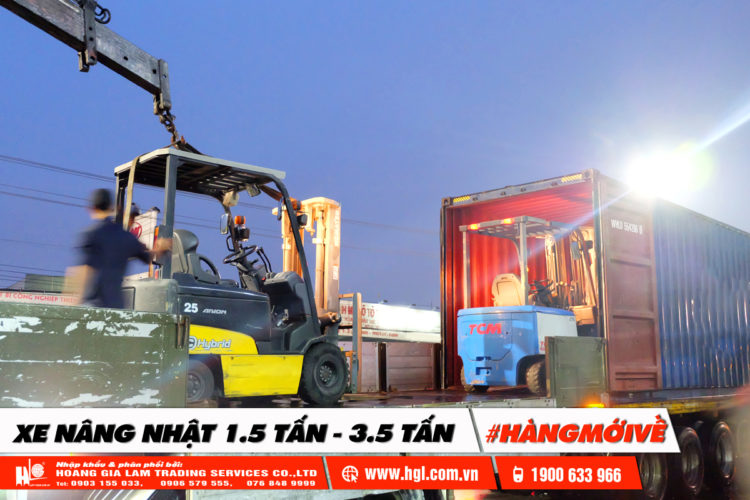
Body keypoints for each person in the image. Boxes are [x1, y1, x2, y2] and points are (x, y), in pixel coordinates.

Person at [72, 188, 171, 309]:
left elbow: (84, 271)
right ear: (111, 207)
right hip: (116, 305)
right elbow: (147, 257)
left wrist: (74, 304)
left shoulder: (90, 234)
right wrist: (161, 247)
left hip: (92, 305)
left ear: (91, 208)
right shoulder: (127, 237)